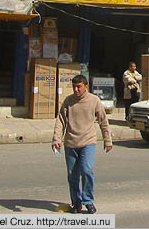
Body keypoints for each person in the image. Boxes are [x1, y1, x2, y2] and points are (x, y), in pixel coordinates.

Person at [52, 75, 112, 215]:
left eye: (79, 86)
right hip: (71, 143)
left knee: (86, 170)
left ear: (86, 86)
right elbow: (60, 121)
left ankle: (88, 200)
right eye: (74, 86)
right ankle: (76, 203)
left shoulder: (94, 100)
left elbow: (103, 121)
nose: (76, 89)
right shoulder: (68, 101)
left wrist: (107, 140)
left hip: (88, 142)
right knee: (72, 175)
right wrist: (56, 139)